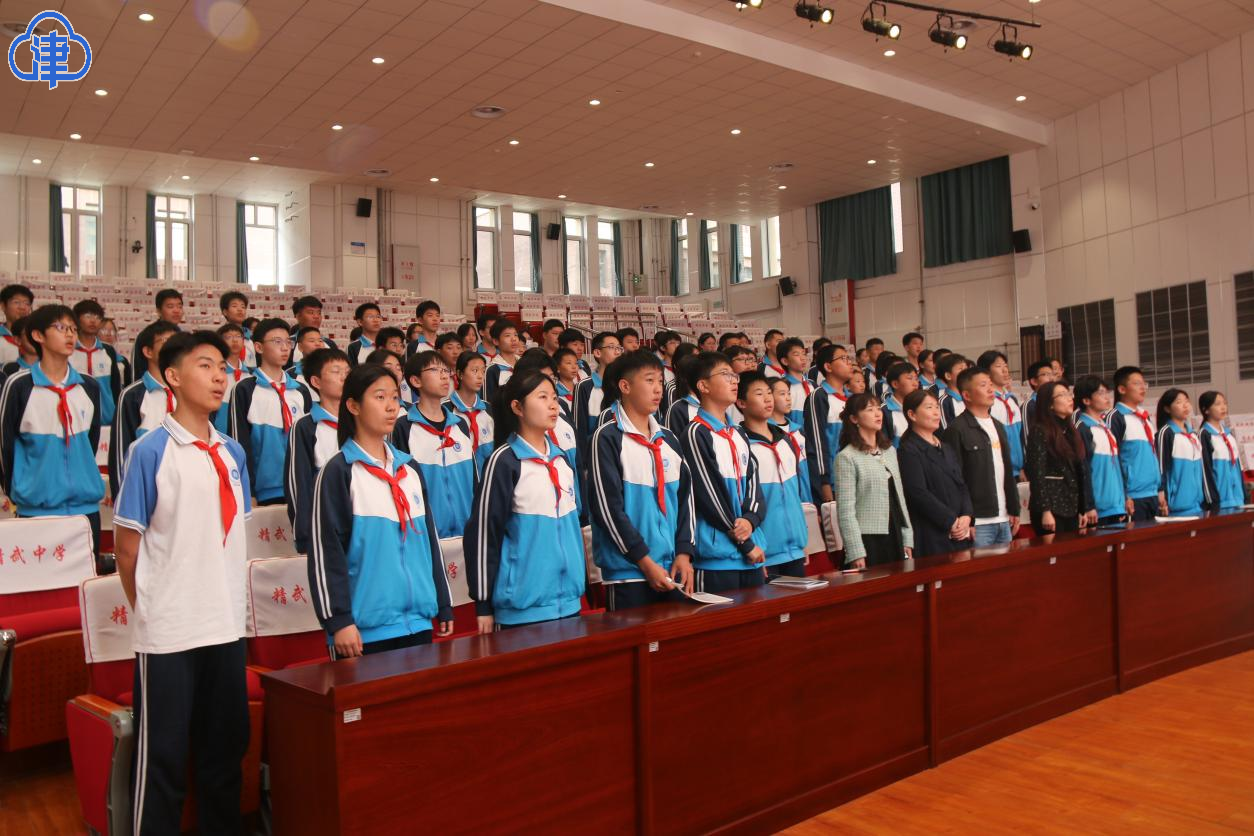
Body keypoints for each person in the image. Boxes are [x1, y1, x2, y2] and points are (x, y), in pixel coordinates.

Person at [112, 330, 252, 836]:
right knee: (163, 759)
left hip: (225, 626)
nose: (219, 377)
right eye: (205, 366)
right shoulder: (150, 451)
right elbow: (126, 549)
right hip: (170, 632)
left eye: (222, 367)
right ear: (172, 376)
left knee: (224, 752)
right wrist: (152, 610)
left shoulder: (233, 453)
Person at [309, 364, 454, 657]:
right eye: (379, 397)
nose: (391, 406)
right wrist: (339, 620)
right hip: (363, 631)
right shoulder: (339, 472)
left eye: (394, 397)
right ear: (353, 406)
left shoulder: (410, 469)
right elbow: (326, 553)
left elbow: (429, 541)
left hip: (418, 623)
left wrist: (443, 602)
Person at [464, 371, 586, 631]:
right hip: (521, 610)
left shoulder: (561, 460)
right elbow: (484, 533)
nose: (553, 405)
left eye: (554, 397)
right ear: (517, 407)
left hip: (569, 604)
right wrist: (483, 603)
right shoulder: (504, 461)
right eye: (542, 397)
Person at [589, 351, 695, 610]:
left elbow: (686, 500)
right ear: (625, 387)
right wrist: (644, 561)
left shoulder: (668, 439)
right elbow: (607, 510)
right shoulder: (607, 438)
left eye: (660, 381)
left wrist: (684, 552)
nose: (658, 389)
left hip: (672, 568)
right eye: (649, 380)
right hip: (629, 573)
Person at [0, 304, 106, 555]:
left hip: (85, 511)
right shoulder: (19, 386)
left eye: (72, 328)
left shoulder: (88, 386)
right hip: (36, 510)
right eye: (60, 327)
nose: (70, 334)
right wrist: (22, 491)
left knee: (85, 578)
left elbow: (90, 442)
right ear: (38, 335)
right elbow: (5, 446)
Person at [677, 352, 766, 592]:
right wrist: (745, 543)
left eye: (734, 375)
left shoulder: (738, 433)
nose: (734, 380)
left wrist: (751, 520)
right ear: (703, 386)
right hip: (716, 556)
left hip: (751, 554)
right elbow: (708, 496)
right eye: (725, 375)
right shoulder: (696, 433)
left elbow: (754, 486)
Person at [392, 351, 476, 539]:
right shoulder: (404, 427)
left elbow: (474, 480)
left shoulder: (460, 425)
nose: (445, 376)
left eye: (445, 370)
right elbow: (402, 485)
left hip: (467, 532)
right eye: (435, 370)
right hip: (427, 534)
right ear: (416, 381)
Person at [230, 319, 311, 505]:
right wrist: (247, 490)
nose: (285, 348)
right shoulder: (245, 390)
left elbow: (308, 442)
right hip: (263, 489)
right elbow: (239, 443)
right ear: (258, 347)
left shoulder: (300, 391)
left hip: (300, 487)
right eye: (277, 342)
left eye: (288, 342)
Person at [739, 371, 808, 578]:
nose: (768, 399)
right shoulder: (740, 446)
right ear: (741, 403)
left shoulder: (786, 441)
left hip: (795, 550)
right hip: (763, 553)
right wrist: (754, 545)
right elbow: (741, 504)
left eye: (769, 392)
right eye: (759, 394)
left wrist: (802, 540)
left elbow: (795, 495)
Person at [941, 366, 1019, 546]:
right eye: (983, 385)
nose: (991, 390)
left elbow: (1007, 471)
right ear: (967, 395)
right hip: (978, 521)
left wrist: (1014, 509)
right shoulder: (956, 430)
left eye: (990, 384)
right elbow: (955, 479)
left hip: (1004, 518)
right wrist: (968, 518)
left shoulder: (998, 426)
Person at [835, 393, 913, 568]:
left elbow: (899, 498)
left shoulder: (890, 451)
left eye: (878, 408)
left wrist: (907, 537)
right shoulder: (847, 457)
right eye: (870, 410)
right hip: (868, 539)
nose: (878, 413)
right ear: (854, 419)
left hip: (895, 532)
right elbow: (846, 511)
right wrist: (855, 551)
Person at [284, 347, 349, 555]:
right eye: (336, 371)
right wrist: (304, 533)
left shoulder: (363, 421)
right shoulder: (305, 426)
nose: (344, 377)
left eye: (347, 372)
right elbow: (298, 482)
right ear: (316, 382)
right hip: (326, 526)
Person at [897, 389, 973, 556]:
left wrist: (967, 515)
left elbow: (961, 484)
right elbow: (918, 493)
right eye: (929, 407)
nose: (936, 412)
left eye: (937, 407)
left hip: (960, 531)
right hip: (932, 535)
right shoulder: (908, 450)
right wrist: (951, 521)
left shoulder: (946, 447)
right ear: (912, 415)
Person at [111, 321, 180, 497]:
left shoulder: (189, 392)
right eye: (166, 341)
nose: (174, 346)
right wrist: (124, 498)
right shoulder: (132, 395)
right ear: (148, 351)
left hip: (183, 489)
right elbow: (121, 452)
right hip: (146, 490)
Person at [1024, 382, 1096, 534]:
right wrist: (1045, 510)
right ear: (1050, 404)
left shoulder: (1071, 430)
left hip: (1071, 506)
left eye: (1069, 394)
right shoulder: (1040, 430)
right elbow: (1037, 474)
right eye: (1062, 395)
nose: (1069, 398)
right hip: (1052, 508)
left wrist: (1082, 509)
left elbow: (1079, 471)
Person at [1106, 366, 1161, 521]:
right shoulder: (1116, 417)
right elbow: (1113, 461)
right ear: (1122, 389)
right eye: (1137, 383)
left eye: (1144, 383)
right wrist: (1123, 495)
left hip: (1152, 493)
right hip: (1133, 496)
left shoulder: (1144, 417)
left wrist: (1160, 489)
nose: (1143, 388)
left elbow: (1153, 456)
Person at [1074, 375, 1130, 525]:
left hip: (1116, 506)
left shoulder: (1106, 428)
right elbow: (1082, 470)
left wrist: (1124, 497)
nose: (1107, 397)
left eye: (1107, 392)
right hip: (1098, 509)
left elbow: (1117, 467)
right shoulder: (1083, 429)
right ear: (1086, 400)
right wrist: (1088, 506)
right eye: (1100, 393)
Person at [802, 343, 852, 505]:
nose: (849, 362)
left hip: (855, 477)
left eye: (849, 358)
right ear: (828, 366)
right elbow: (816, 442)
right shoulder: (818, 396)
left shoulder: (852, 398)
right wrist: (824, 482)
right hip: (834, 482)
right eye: (843, 358)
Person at [1155, 388, 1208, 517]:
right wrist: (1163, 497)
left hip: (1197, 506)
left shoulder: (1193, 435)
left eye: (1187, 401)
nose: (1185, 405)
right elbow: (1160, 468)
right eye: (1179, 402)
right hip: (1176, 508)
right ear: (1167, 409)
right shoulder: (1166, 433)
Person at [70, 299, 121, 428]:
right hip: (76, 421)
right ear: (76, 319)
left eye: (98, 317)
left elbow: (115, 387)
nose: (93, 321)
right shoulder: (68, 350)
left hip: (107, 420)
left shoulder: (108, 350)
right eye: (88, 316)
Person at [979, 350, 1024, 479]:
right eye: (998, 366)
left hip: (1018, 470)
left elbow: (1019, 435)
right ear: (986, 372)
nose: (1005, 370)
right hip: (999, 470)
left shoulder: (1011, 400)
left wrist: (1022, 467)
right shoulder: (986, 402)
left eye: (1005, 366)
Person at [1198, 390, 1245, 511]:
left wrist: (1243, 494)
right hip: (1219, 502)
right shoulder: (1204, 435)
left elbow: (1238, 467)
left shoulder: (1229, 434)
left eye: (1224, 403)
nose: (1223, 407)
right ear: (1206, 410)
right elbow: (1205, 471)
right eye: (1217, 404)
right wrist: (1212, 500)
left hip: (1237, 499)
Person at [572, 331, 623, 440]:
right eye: (611, 347)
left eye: (619, 348)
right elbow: (579, 430)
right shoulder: (584, 386)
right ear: (597, 353)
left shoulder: (625, 385)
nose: (617, 352)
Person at [449, 351, 493, 472]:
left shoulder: (488, 409)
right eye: (475, 371)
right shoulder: (446, 410)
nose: (480, 376)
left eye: (483, 371)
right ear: (460, 374)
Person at [130, 288, 183, 371]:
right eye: (170, 306)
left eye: (179, 306)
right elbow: (137, 368)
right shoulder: (146, 336)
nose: (176, 310)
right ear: (159, 311)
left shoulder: (183, 336)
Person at [483, 318, 522, 403]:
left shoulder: (525, 363)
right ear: (496, 341)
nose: (514, 339)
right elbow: (489, 403)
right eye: (507, 335)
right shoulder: (492, 370)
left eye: (515, 335)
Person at [881, 361, 918, 447]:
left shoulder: (920, 407)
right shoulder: (884, 411)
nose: (915, 384)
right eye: (910, 378)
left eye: (916, 379)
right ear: (895, 384)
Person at [219, 290, 256, 368]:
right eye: (234, 306)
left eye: (243, 307)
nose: (240, 309)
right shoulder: (220, 337)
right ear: (225, 312)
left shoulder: (252, 337)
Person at [0, 284, 33, 368]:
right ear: (3, 306)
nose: (22, 307)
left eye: (27, 303)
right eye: (16, 302)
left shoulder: (36, 336)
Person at [935, 353, 968, 429]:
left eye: (966, 368)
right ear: (948, 376)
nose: (966, 372)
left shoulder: (973, 397)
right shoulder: (943, 402)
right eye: (961, 369)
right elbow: (946, 431)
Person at [1022, 359, 1056, 430]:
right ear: (1034, 381)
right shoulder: (1029, 405)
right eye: (1046, 374)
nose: (1051, 378)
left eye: (1052, 374)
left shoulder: (1057, 402)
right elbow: (1027, 434)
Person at [99, 316, 132, 386]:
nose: (108, 334)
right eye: (104, 331)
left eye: (112, 331)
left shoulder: (123, 361)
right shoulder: (92, 358)